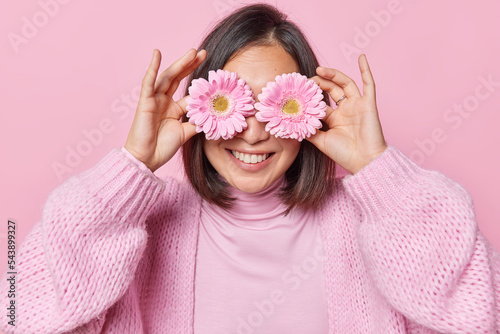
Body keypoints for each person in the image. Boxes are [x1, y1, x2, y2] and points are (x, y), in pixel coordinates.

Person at [1, 3, 499, 334]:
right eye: (231, 104)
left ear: (310, 113)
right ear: (196, 107)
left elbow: (478, 311)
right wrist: (129, 172)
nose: (254, 132)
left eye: (275, 107)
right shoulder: (144, 221)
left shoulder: (367, 218)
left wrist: (380, 172)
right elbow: (15, 307)